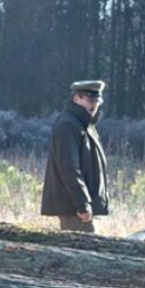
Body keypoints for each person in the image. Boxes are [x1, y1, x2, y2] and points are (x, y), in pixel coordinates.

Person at [40, 80, 109, 232]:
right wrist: (82, 204)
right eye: (90, 100)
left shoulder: (84, 124)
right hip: (73, 207)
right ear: (76, 98)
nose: (94, 105)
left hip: (79, 206)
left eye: (97, 101)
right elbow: (69, 168)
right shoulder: (68, 124)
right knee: (89, 251)